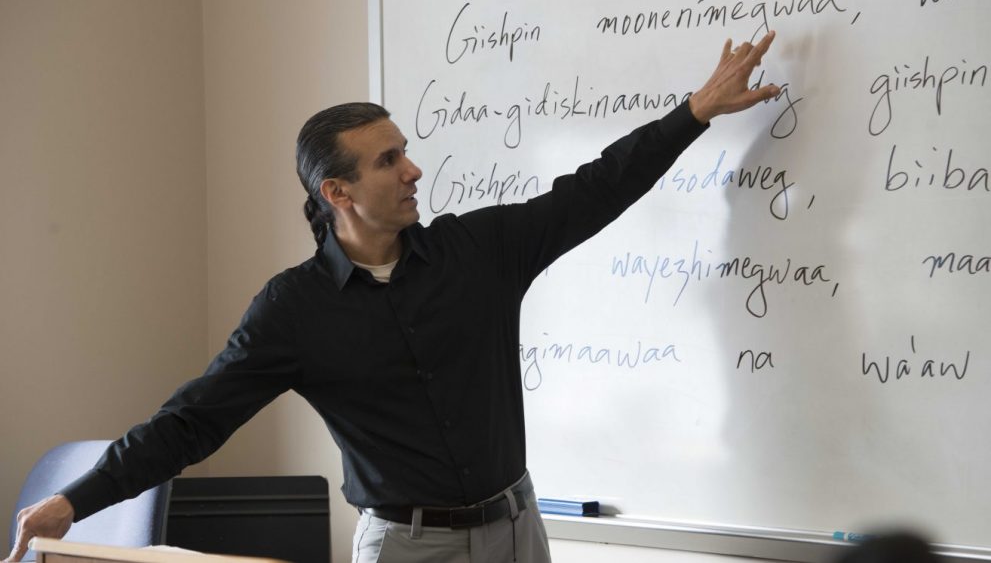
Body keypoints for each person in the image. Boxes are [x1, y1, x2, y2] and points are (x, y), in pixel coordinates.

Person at [6, 32, 780, 563]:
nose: (412, 170)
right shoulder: (292, 310)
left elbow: (595, 189)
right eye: (389, 160)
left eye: (405, 151)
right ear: (336, 190)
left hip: (517, 530)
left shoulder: (475, 252)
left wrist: (693, 113)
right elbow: (190, 422)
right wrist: (72, 502)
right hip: (406, 546)